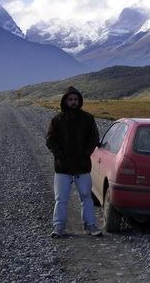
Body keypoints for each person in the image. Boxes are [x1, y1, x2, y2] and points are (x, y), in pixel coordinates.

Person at [45, 86, 102, 238]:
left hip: (82, 166)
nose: (73, 102)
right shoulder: (56, 120)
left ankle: (90, 225)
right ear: (65, 101)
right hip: (62, 167)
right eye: (70, 100)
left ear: (79, 101)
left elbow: (94, 139)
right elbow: (50, 140)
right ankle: (58, 227)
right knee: (61, 199)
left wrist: (85, 154)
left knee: (86, 197)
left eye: (75, 99)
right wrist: (60, 155)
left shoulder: (88, 119)